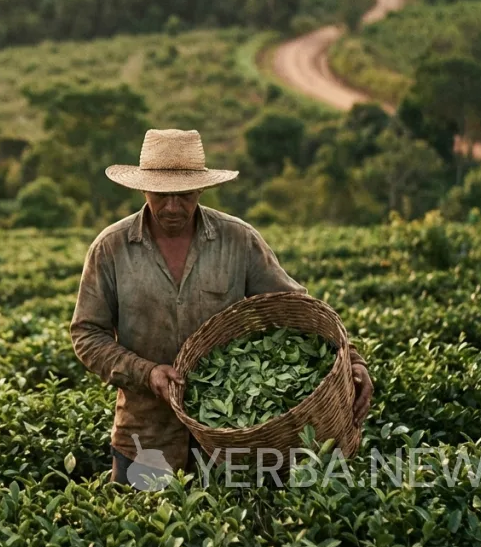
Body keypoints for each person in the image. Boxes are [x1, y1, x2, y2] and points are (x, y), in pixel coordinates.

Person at [70, 129, 373, 486]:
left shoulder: (237, 239)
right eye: (162, 195)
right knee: (141, 534)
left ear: (201, 189)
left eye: (184, 196)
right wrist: (146, 372)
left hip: (232, 442)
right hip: (144, 438)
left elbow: (296, 308)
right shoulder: (111, 248)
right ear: (143, 188)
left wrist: (351, 359)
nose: (172, 207)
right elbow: (87, 334)